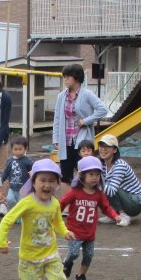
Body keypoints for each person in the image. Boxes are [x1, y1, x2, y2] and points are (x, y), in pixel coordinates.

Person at [0, 158, 74, 280]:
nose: (47, 185)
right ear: (34, 182)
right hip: (30, 257)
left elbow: (57, 222)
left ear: (57, 184)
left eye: (52, 181)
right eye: (43, 180)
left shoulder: (55, 203)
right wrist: (1, 242)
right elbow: (7, 220)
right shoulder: (27, 202)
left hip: (51, 254)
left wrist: (65, 232)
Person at [59, 156, 119, 280]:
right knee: (74, 253)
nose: (95, 177)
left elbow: (106, 207)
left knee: (89, 255)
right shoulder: (74, 193)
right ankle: (67, 262)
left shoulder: (98, 194)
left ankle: (80, 276)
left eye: (97, 174)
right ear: (81, 175)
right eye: (91, 174)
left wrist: (115, 216)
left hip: (89, 233)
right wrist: (53, 214)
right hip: (74, 231)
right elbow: (61, 203)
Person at [52, 63, 107, 194]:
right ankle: (68, 205)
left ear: (76, 78)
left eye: (67, 77)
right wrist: (55, 137)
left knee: (86, 172)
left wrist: (86, 120)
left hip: (82, 141)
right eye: (64, 77)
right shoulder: (61, 96)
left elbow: (102, 109)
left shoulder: (87, 94)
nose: (65, 80)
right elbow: (57, 118)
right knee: (65, 174)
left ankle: (87, 202)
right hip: (65, 140)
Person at [97, 136, 141, 226]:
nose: (103, 149)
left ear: (115, 150)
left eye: (107, 147)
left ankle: (124, 215)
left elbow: (111, 192)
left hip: (136, 202)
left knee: (108, 186)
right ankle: (113, 214)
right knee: (103, 185)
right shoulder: (102, 164)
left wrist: (95, 182)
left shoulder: (120, 165)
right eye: (101, 146)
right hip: (125, 197)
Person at [0, 135, 33, 213]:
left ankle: (20, 217)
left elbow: (33, 172)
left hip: (23, 188)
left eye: (20, 149)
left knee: (22, 203)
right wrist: (1, 180)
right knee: (10, 200)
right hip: (12, 187)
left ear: (25, 149)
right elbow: (6, 172)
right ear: (12, 149)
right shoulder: (10, 161)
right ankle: (12, 214)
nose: (17, 151)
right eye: (15, 149)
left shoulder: (28, 161)